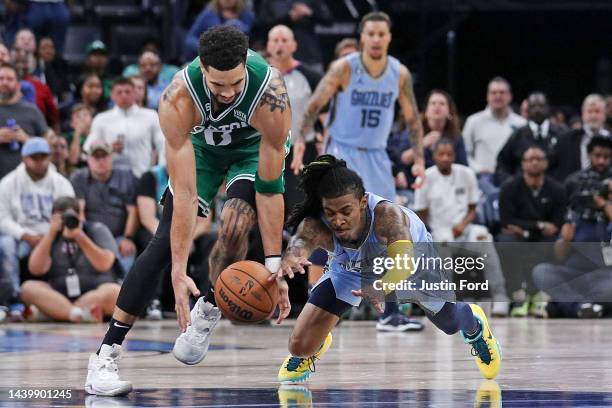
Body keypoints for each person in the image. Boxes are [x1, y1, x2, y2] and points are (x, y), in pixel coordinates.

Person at [85, 26, 292, 396]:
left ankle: (210, 306)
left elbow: (270, 189)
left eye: (234, 84)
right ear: (203, 70)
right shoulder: (178, 99)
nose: (227, 93)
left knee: (235, 222)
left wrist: (274, 266)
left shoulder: (272, 96)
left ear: (246, 65)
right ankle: (105, 355)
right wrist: (178, 273)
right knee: (163, 244)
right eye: (218, 85)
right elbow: (184, 194)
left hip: (250, 151)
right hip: (202, 152)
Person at [275, 155, 502, 383]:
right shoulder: (317, 222)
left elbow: (404, 263)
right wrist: (289, 260)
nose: (338, 221)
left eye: (346, 211)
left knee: (450, 323)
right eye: (331, 213)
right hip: (351, 266)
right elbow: (300, 243)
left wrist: (382, 286)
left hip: (413, 264)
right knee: (299, 346)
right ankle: (319, 340)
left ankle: (475, 325)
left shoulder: (388, 216)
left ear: (363, 203)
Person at [290, 12, 426, 330]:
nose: (376, 39)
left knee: (391, 230)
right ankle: (319, 303)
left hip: (377, 155)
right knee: (329, 222)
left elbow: (413, 117)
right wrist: (301, 142)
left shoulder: (399, 73)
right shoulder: (345, 67)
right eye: (371, 34)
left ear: (389, 37)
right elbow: (313, 105)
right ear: (362, 37)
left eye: (382, 34)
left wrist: (419, 158)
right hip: (343, 151)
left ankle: (390, 314)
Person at [414, 139, 510, 316]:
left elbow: (473, 208)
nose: (445, 158)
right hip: (440, 231)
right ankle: (447, 303)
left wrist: (463, 224)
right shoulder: (425, 178)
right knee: (441, 247)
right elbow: (420, 213)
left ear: (454, 156)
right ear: (434, 157)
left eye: (448, 154)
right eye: (441, 154)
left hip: (465, 227)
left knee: (485, 239)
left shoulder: (466, 174)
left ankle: (500, 297)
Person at [0, 137, 74, 319]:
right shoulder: (9, 183)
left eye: (43, 157)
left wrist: (50, 233)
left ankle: (64, 298)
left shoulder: (60, 182)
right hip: (22, 236)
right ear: (24, 158)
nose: (40, 162)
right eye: (35, 157)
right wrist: (25, 235)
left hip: (54, 234)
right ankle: (13, 299)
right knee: (6, 245)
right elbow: (2, 218)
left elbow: (71, 212)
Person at [22, 196, 121, 323]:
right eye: (61, 218)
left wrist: (80, 236)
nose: (66, 221)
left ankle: (58, 313)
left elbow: (105, 264)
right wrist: (51, 234)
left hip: (94, 292)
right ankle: (79, 314)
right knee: (28, 288)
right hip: (59, 295)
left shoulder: (97, 229)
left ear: (80, 215)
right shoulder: (51, 236)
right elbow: (35, 269)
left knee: (115, 292)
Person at [82, 77, 165, 178]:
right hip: (111, 179)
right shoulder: (101, 119)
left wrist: (161, 172)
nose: (124, 95)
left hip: (142, 176)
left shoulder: (151, 116)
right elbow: (87, 151)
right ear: (112, 95)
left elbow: (162, 145)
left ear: (135, 94)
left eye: (127, 92)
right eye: (119, 92)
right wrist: (107, 149)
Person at [463, 77, 526, 190]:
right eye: (494, 93)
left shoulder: (521, 124)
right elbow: (465, 153)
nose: (498, 96)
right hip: (482, 181)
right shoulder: (473, 121)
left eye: (502, 93)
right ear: (488, 96)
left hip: (513, 181)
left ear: (509, 96)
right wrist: (477, 169)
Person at [496, 92, 565, 184]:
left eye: (541, 106)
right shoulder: (518, 135)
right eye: (533, 106)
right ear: (527, 109)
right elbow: (502, 164)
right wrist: (510, 185)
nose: (537, 109)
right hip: (522, 190)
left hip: (555, 189)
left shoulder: (562, 133)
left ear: (548, 108)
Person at [0, 63, 53, 179]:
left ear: (18, 85)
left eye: (9, 79)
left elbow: (49, 144)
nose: (4, 82)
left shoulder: (32, 111)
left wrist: (27, 140)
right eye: (1, 78)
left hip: (27, 181)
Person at [551, 94, 610, 181]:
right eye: (589, 111)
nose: (593, 116)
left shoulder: (610, 139)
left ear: (604, 114)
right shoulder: (565, 140)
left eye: (597, 111)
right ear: (583, 115)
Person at [184, 0, 256, 60]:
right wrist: (206, 48)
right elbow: (190, 39)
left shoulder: (247, 14)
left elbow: (253, 39)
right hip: (210, 58)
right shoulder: (209, 14)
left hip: (239, 58)